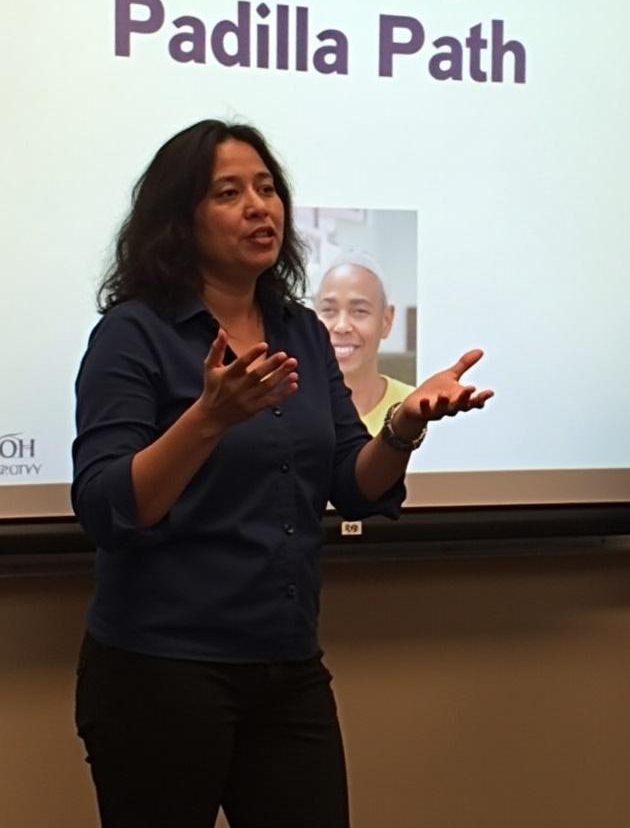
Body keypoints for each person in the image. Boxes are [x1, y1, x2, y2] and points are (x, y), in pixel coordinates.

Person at [71, 119, 492, 828]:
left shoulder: (298, 329)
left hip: (286, 664)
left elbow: (351, 482)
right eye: (229, 193)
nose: (259, 207)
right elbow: (109, 507)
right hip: (161, 670)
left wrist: (403, 424)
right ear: (180, 220)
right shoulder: (133, 334)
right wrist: (207, 418)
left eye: (267, 189)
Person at [314, 253, 414, 435]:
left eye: (359, 311)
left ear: (386, 320)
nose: (341, 326)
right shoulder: (293, 409)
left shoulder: (413, 408)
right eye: (328, 310)